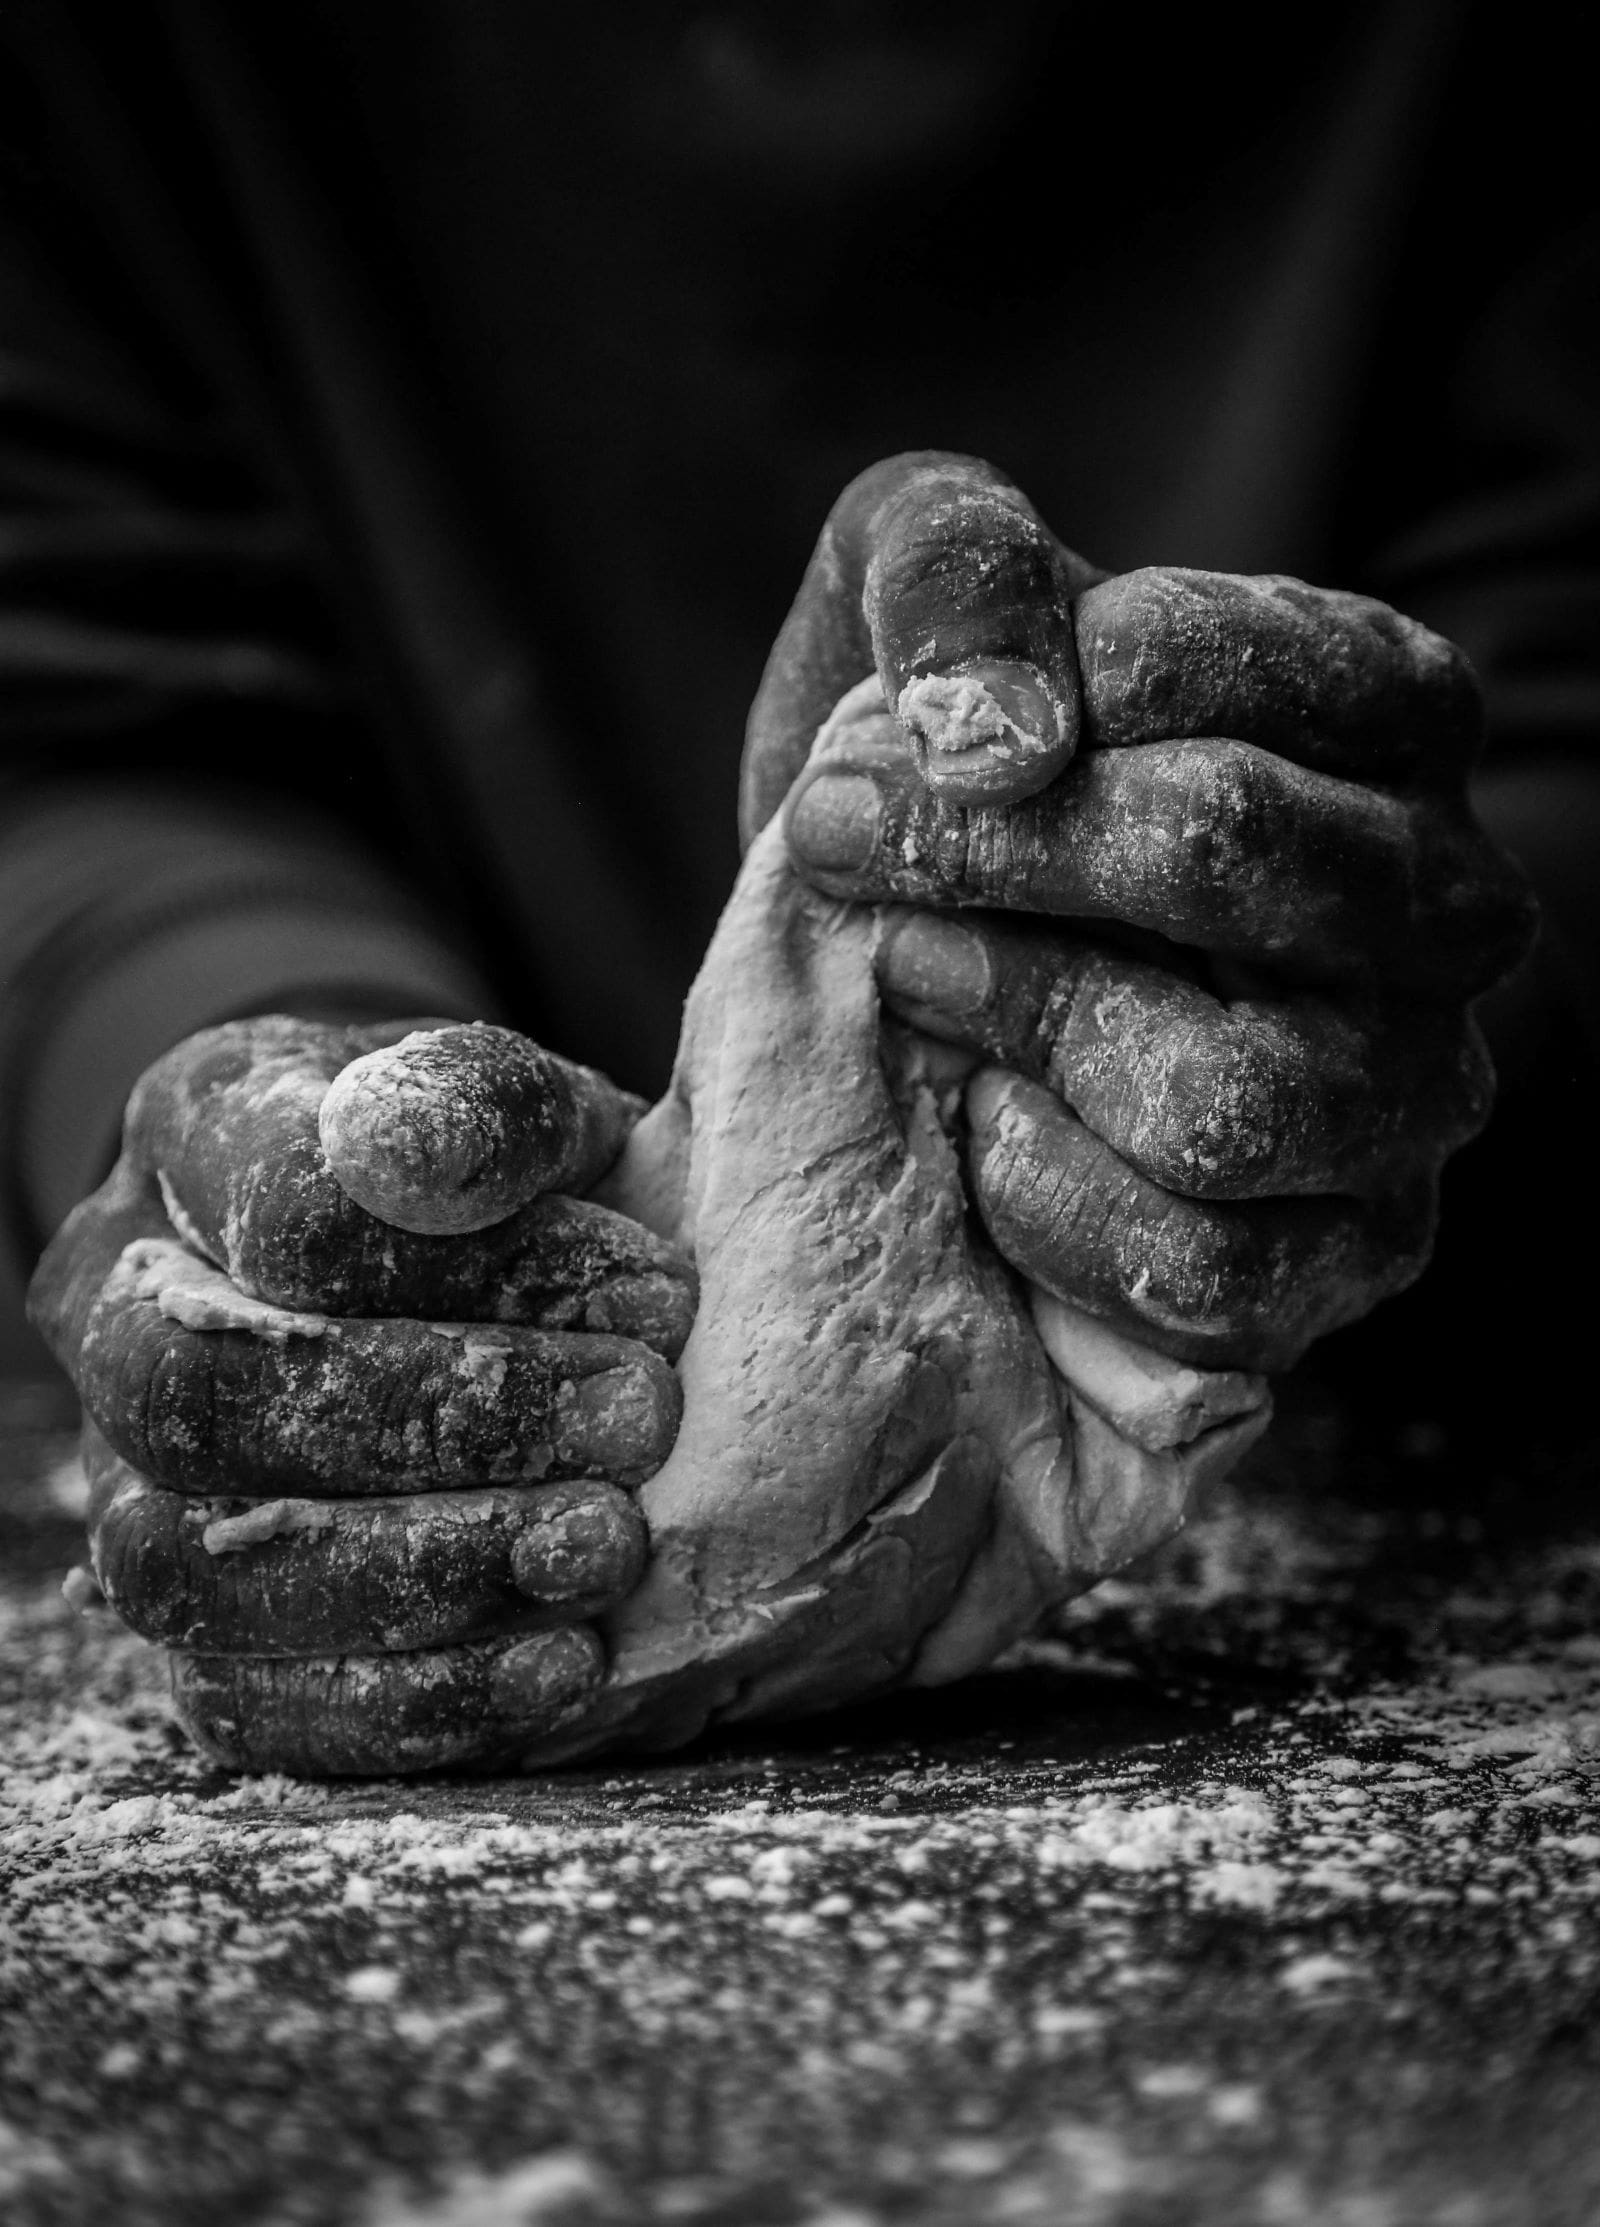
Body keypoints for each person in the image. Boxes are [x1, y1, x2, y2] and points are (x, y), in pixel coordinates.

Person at [4, 4, 1593, 1761]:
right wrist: (257, 1109)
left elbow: (1558, 688)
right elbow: (79, 711)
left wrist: (1368, 1005)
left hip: (1461, 1390)